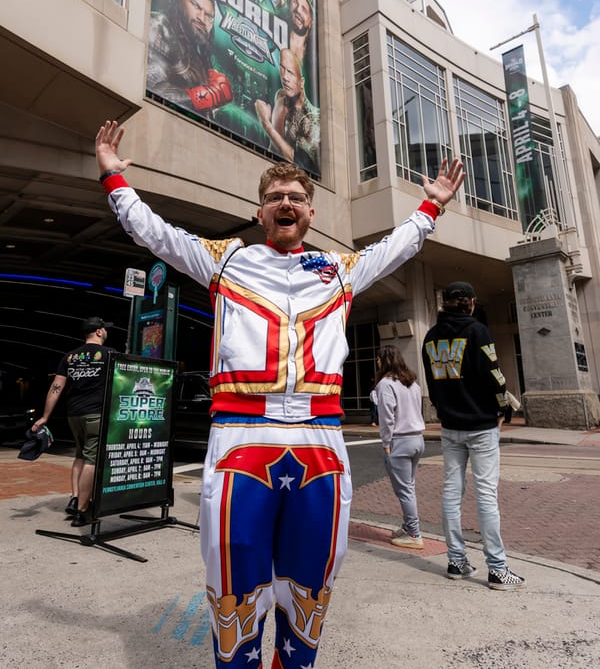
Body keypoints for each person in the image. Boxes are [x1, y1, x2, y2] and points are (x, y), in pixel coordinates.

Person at [95, 118, 464, 667]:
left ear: (311, 213)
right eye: (274, 197)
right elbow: (156, 234)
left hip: (320, 438)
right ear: (259, 211)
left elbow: (396, 248)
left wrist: (429, 207)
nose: (285, 203)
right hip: (240, 434)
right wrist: (114, 181)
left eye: (296, 197)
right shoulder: (225, 259)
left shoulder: (339, 270)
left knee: (311, 582)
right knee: (234, 580)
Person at [422, 281, 526, 591]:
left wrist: (443, 409)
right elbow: (493, 373)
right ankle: (497, 568)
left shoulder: (430, 337)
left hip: (450, 426)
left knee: (452, 493)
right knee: (486, 496)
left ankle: (456, 561)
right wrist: (502, 409)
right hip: (480, 426)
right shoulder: (477, 331)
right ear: (469, 302)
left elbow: (432, 382)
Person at [32, 317, 113, 527]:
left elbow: (55, 388)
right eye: (104, 329)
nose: (106, 332)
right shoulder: (110, 355)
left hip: (74, 414)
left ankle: (76, 497)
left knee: (80, 453)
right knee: (91, 460)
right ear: (98, 332)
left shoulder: (69, 357)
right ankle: (83, 511)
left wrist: (45, 417)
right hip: (95, 414)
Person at [147, 0, 232, 115]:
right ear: (178, 1)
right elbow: (151, 88)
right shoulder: (157, 27)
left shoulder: (196, 55)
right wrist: (206, 96)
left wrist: (216, 97)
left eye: (209, 16)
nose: (202, 18)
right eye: (196, 6)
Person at [375, 345, 425, 549]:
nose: (377, 362)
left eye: (378, 359)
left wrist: (386, 442)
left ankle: (414, 533)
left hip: (400, 440)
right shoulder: (412, 382)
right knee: (409, 487)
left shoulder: (386, 384)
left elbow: (387, 416)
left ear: (384, 360)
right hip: (417, 439)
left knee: (404, 490)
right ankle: (408, 526)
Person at [254, 48, 320, 174]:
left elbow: (297, 161)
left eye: (290, 72)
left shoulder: (314, 119)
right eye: (282, 70)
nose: (284, 77)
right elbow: (272, 150)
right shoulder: (281, 100)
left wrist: (266, 124)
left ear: (302, 82)